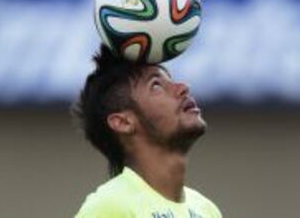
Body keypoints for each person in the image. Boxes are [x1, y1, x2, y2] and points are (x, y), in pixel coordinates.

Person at [72, 45, 222, 217]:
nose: (183, 87)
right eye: (156, 85)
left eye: (171, 80)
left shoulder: (207, 210)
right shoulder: (109, 206)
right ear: (123, 122)